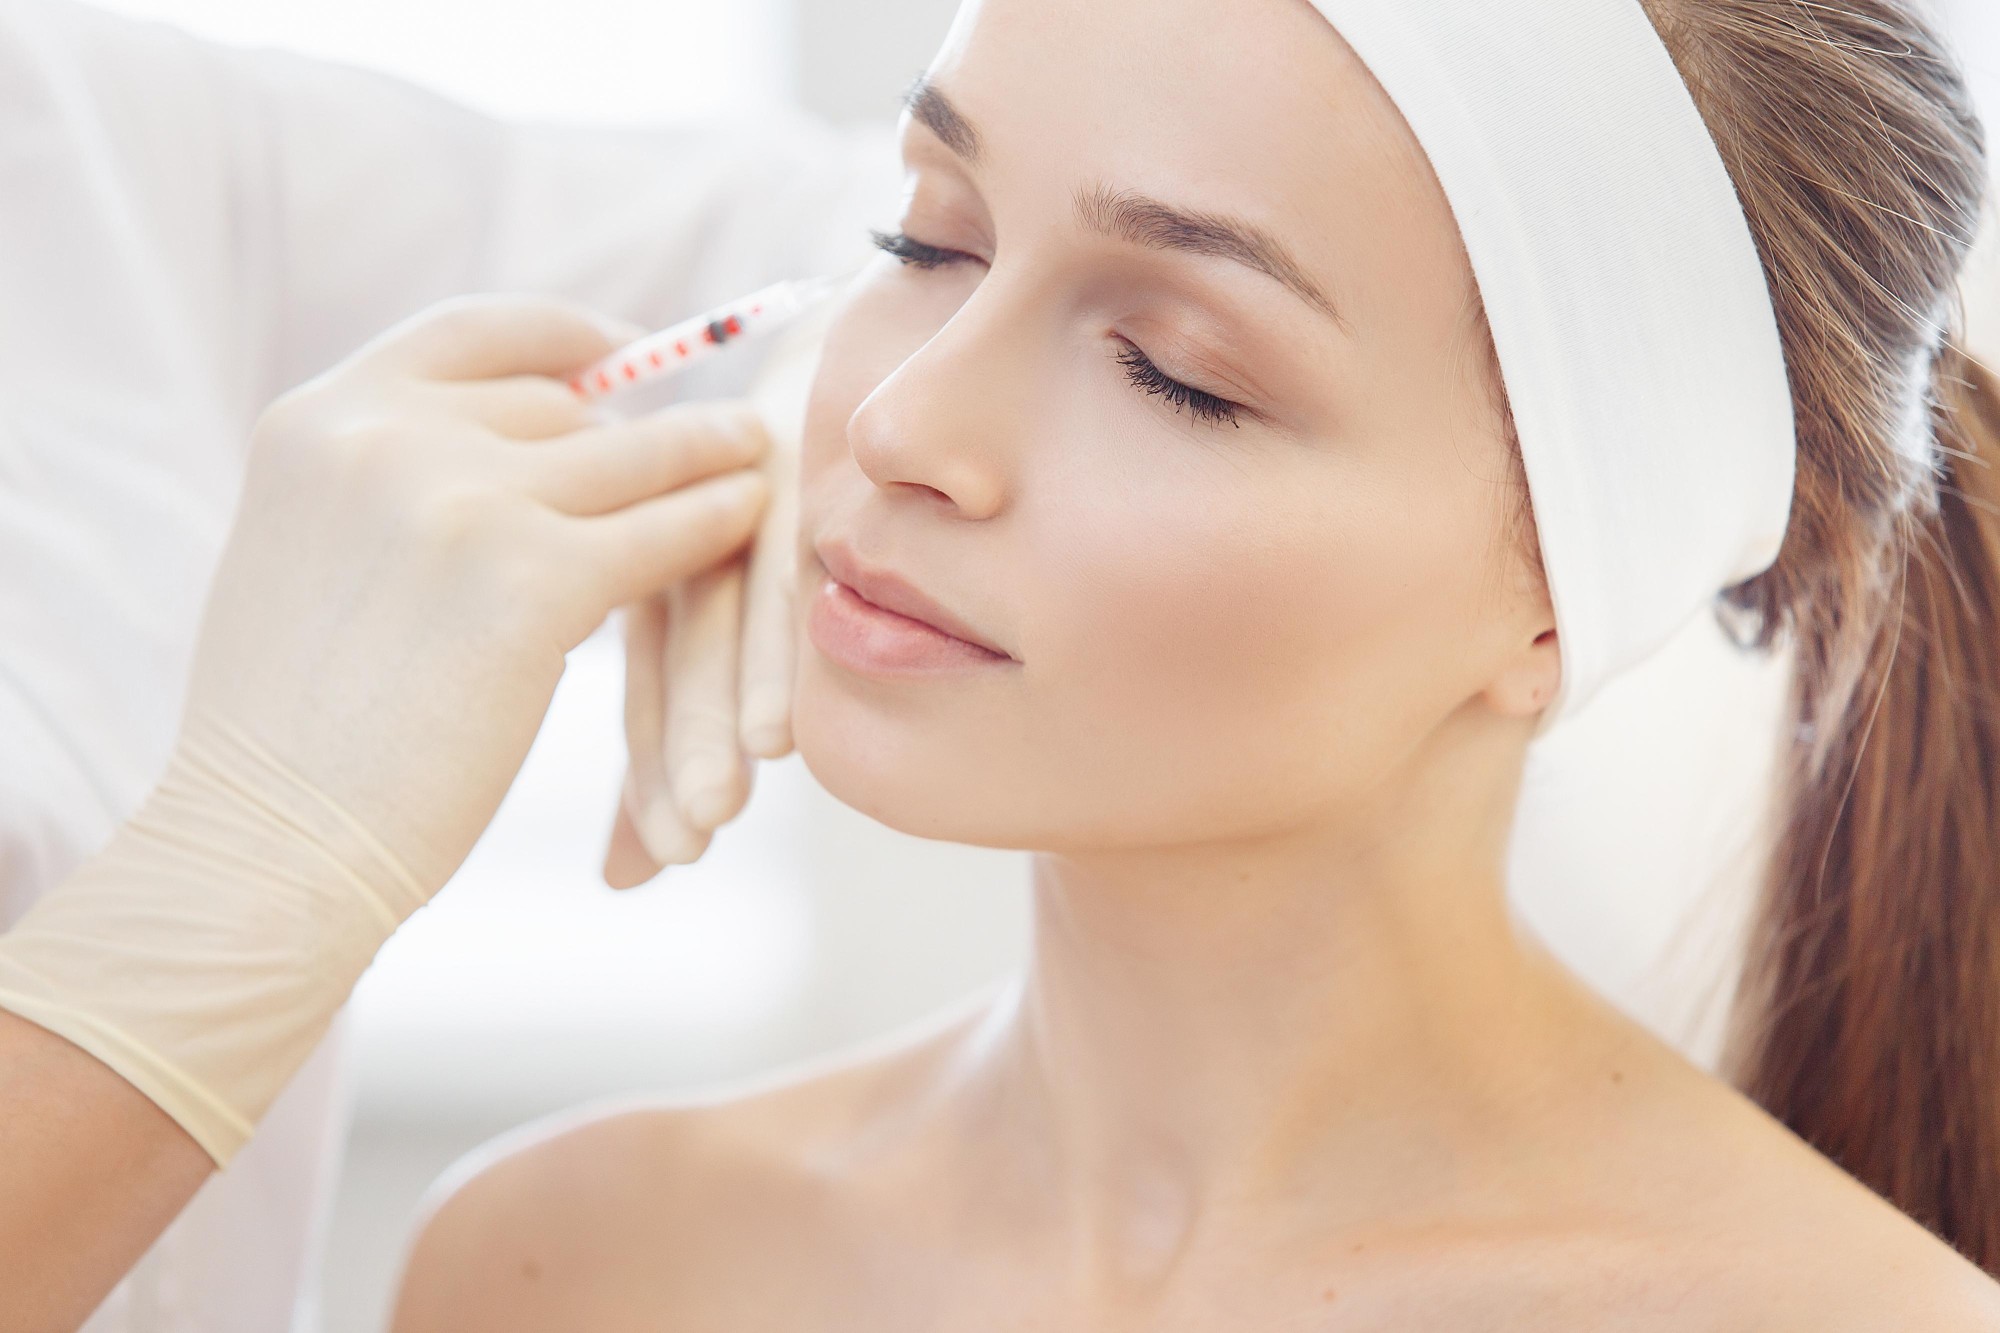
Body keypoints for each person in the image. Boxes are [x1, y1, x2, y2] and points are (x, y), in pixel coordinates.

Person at [382, 0, 2000, 1326]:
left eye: (1176, 371)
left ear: (1558, 600)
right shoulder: (567, 1265)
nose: (897, 421)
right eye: (928, 238)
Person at [0, 0, 895, 1328]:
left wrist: (843, 347)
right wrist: (250, 861)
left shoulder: (76, 127)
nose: (922, 443)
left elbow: (861, 210)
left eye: (1181, 378)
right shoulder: (559, 1252)